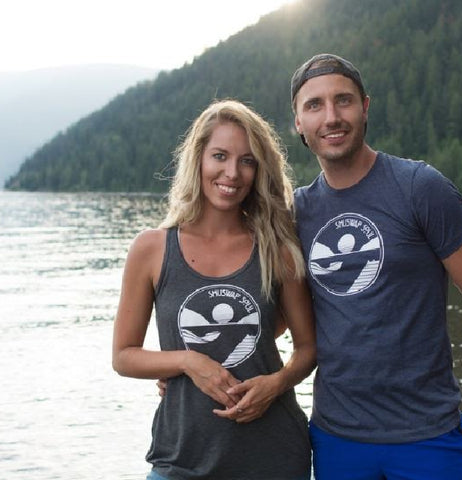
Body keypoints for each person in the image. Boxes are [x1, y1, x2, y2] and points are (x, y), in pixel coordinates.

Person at [290, 53, 462, 479]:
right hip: (336, 438)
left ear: (365, 107)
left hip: (428, 436)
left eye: (344, 101)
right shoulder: (297, 212)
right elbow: (280, 315)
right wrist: (195, 368)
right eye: (314, 105)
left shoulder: (420, 187)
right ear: (298, 123)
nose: (332, 117)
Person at [112, 99, 316, 480]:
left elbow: (307, 348)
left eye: (247, 161)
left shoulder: (278, 249)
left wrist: (277, 383)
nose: (232, 173)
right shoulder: (152, 249)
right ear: (198, 160)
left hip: (274, 456)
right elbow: (124, 356)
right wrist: (187, 361)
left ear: (259, 170)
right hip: (181, 457)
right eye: (219, 156)